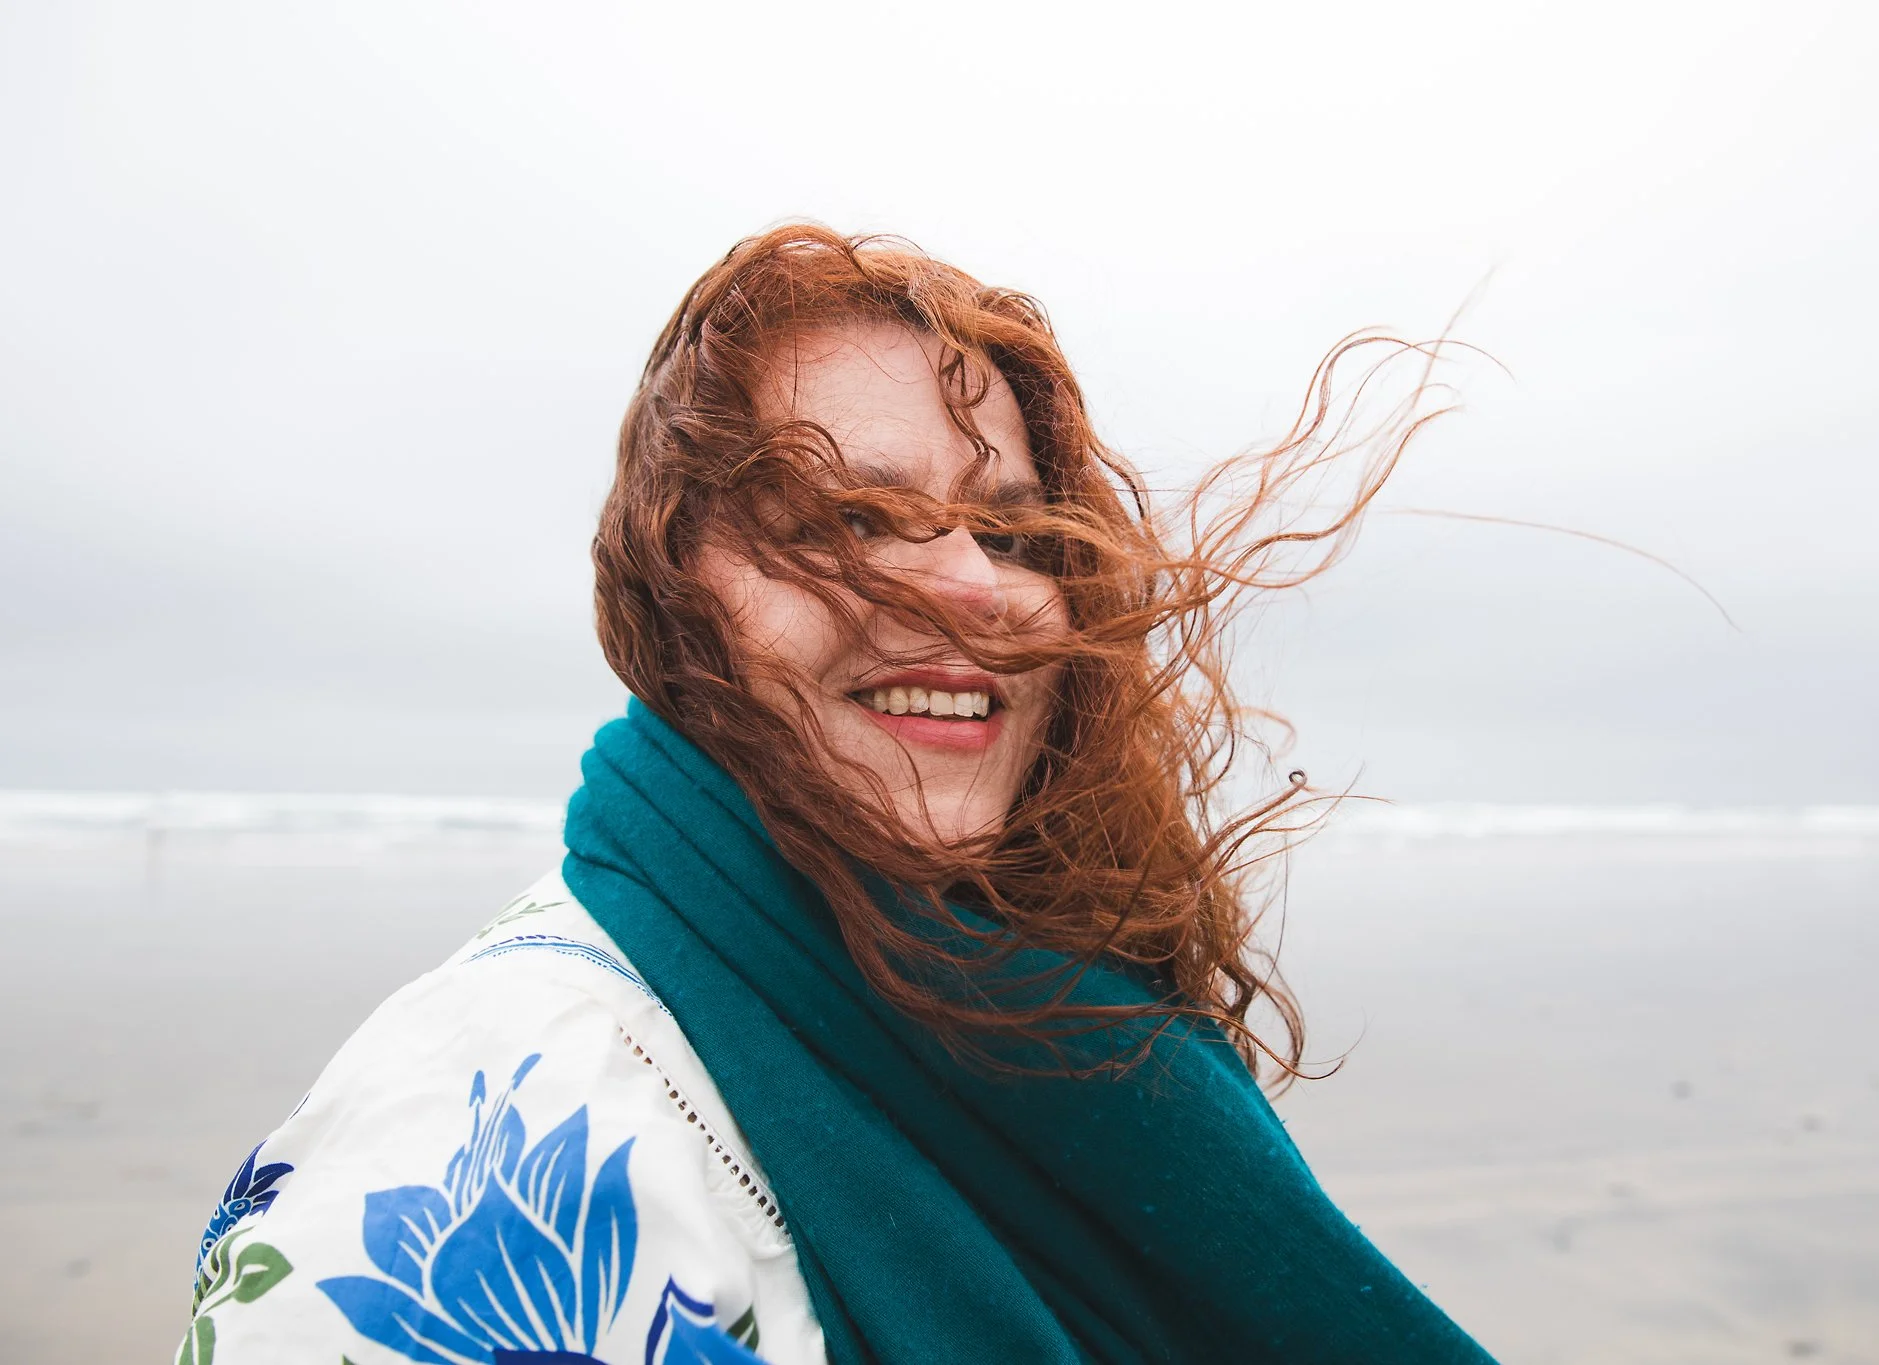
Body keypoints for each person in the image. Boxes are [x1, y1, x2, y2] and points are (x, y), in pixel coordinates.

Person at [173, 226, 1497, 1364]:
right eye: (851, 517)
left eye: (1014, 532)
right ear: (676, 590)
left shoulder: (1047, 1010)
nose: (975, 586)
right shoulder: (482, 1140)